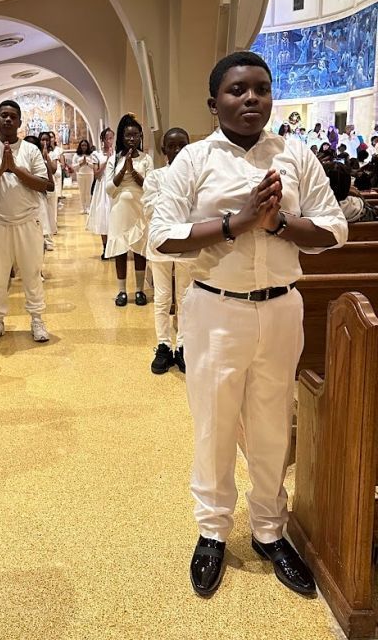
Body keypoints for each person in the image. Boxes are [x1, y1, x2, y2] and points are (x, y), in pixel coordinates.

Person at [149, 51, 347, 598]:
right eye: (237, 90)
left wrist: (279, 221)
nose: (251, 98)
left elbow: (333, 230)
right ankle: (212, 531)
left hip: (281, 307)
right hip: (215, 309)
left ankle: (268, 530)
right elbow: (162, 237)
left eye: (261, 88)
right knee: (214, 424)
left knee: (270, 424)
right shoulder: (191, 161)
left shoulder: (296, 155)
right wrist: (238, 223)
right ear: (214, 103)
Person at [0, 100, 50, 344]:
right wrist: (0, 169)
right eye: (3, 116)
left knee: (31, 273)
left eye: (12, 117)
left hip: (26, 221)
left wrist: (14, 168)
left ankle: (37, 319)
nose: (7, 120)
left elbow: (43, 184)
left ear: (19, 122)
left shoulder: (30, 150)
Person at [142, 128, 190, 374]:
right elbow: (150, 208)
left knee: (184, 297)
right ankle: (163, 344)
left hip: (186, 242)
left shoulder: (195, 175)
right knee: (162, 297)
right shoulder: (155, 177)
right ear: (164, 151)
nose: (178, 150)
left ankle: (182, 345)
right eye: (172, 146)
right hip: (160, 242)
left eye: (182, 145)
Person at [105, 113, 153, 306]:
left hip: (139, 208)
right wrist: (124, 169)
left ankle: (140, 290)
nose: (131, 139)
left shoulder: (146, 159)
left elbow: (150, 186)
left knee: (140, 248)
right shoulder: (114, 160)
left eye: (135, 135)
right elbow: (109, 189)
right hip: (119, 209)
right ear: (122, 138)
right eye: (128, 136)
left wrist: (133, 171)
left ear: (141, 136)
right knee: (120, 249)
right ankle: (122, 291)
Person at [86, 127, 115, 258]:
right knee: (104, 216)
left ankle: (114, 247)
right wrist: (107, 160)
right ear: (102, 140)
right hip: (102, 186)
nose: (110, 141)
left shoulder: (118, 154)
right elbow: (97, 175)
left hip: (114, 186)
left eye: (112, 138)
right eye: (108, 138)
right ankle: (105, 248)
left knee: (114, 216)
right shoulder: (96, 155)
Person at [71, 139, 96, 214]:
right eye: (82, 145)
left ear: (87, 146)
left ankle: (88, 207)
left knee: (88, 191)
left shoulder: (91, 155)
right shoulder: (76, 155)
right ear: (80, 146)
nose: (84, 147)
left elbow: (94, 166)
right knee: (82, 192)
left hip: (89, 174)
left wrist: (87, 163)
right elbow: (73, 166)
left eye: (85, 145)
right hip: (80, 175)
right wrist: (81, 164)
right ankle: (83, 207)